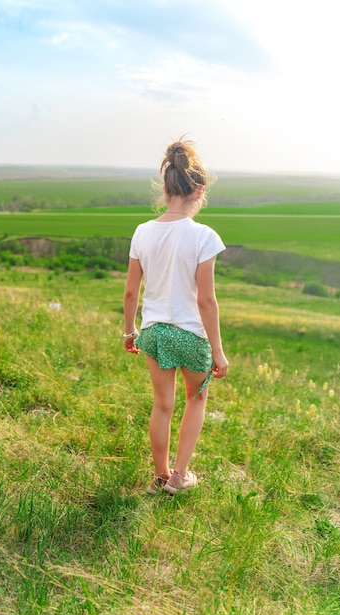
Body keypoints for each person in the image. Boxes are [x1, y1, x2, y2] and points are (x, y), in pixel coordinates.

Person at [123, 138, 228, 495]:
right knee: (195, 399)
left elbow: (130, 292)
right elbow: (206, 301)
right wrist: (218, 351)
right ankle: (180, 476)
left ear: (166, 190)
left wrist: (128, 331)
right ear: (199, 191)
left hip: (152, 333)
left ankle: (159, 476)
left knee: (161, 405)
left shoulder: (142, 232)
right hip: (190, 336)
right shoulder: (204, 236)